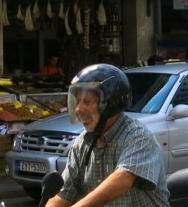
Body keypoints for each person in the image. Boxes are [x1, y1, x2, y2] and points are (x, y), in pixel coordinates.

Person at [47, 63, 170, 207]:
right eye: (78, 101)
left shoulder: (138, 136)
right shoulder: (82, 143)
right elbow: (64, 193)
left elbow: (123, 178)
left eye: (87, 101)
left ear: (110, 104)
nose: (79, 109)